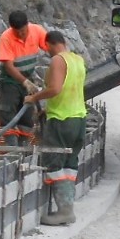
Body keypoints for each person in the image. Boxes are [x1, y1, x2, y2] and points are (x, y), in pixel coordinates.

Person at [25, 30, 88, 225]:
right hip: (78, 119)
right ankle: (67, 207)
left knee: (53, 161)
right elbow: (70, 90)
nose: (47, 52)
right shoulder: (77, 60)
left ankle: (64, 211)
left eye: (47, 48)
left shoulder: (58, 60)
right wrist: (48, 109)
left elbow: (55, 89)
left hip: (62, 120)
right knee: (70, 163)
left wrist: (33, 98)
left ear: (50, 44)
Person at [0, 11, 48, 146]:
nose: (21, 35)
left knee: (27, 115)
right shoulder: (6, 38)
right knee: (8, 112)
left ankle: (23, 147)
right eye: (17, 32)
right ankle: (13, 150)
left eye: (23, 31)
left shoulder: (37, 31)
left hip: (28, 76)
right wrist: (24, 82)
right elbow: (8, 66)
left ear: (27, 25)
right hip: (10, 80)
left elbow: (51, 47)